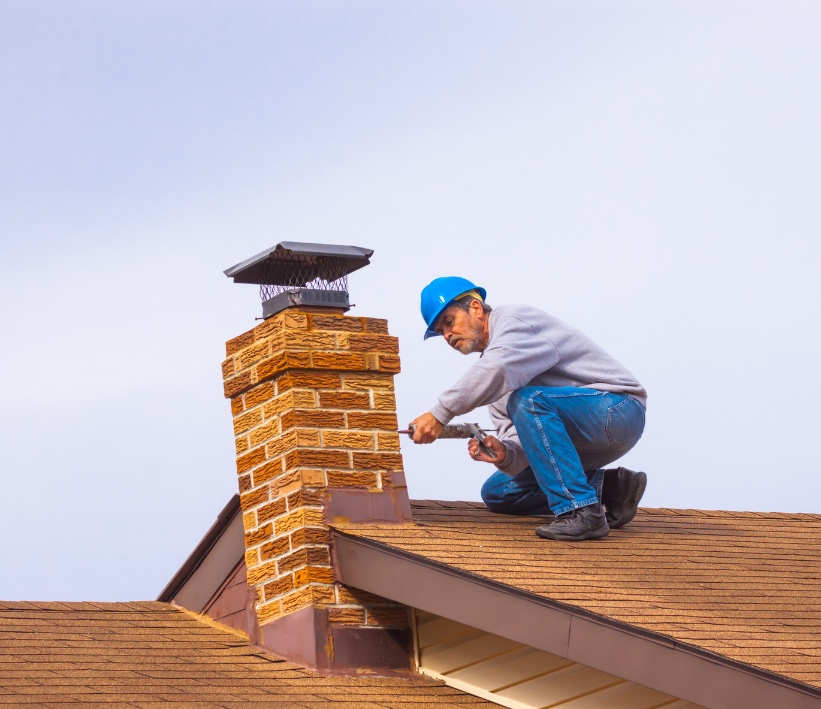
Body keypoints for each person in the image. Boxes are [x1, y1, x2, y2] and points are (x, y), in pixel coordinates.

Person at [409, 276, 648, 541]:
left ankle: (581, 512)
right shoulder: (495, 380)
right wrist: (506, 454)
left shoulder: (514, 321)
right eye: (441, 332)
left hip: (619, 410)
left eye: (449, 322)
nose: (447, 335)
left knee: (529, 401)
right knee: (500, 491)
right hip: (581, 439)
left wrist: (440, 413)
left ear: (476, 308)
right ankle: (611, 489)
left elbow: (497, 368)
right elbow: (524, 441)